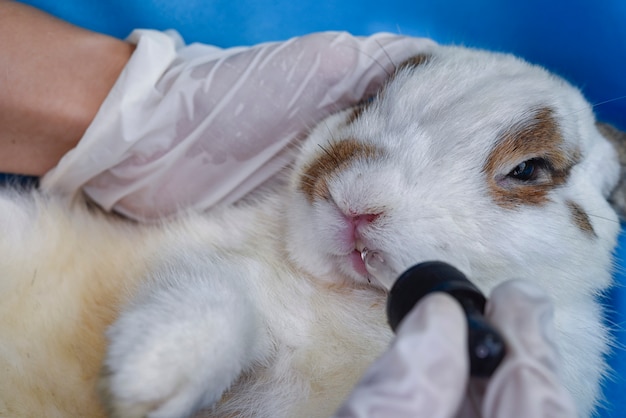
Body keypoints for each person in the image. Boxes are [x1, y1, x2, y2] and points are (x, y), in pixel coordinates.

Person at [0, 2, 577, 416]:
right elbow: (242, 280)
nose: (363, 195)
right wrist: (139, 110)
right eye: (372, 105)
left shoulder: (550, 352)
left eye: (523, 173)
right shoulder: (281, 219)